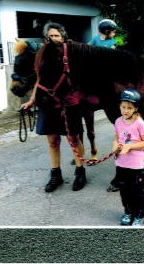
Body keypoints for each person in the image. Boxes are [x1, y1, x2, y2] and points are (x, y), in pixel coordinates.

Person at [20, 22, 88, 192]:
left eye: (56, 35)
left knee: (73, 138)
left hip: (68, 101)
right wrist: (32, 100)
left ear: (63, 37)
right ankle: (56, 174)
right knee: (52, 141)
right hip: (47, 104)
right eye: (50, 36)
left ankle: (80, 172)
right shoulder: (42, 55)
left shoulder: (72, 53)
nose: (53, 39)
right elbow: (39, 80)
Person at [112, 89, 144, 226]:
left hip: (135, 164)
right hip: (121, 162)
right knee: (124, 189)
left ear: (136, 108)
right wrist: (115, 146)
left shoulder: (139, 123)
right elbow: (117, 137)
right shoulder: (118, 121)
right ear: (119, 106)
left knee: (136, 190)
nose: (126, 110)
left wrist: (130, 147)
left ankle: (139, 215)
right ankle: (128, 211)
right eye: (123, 107)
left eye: (129, 107)